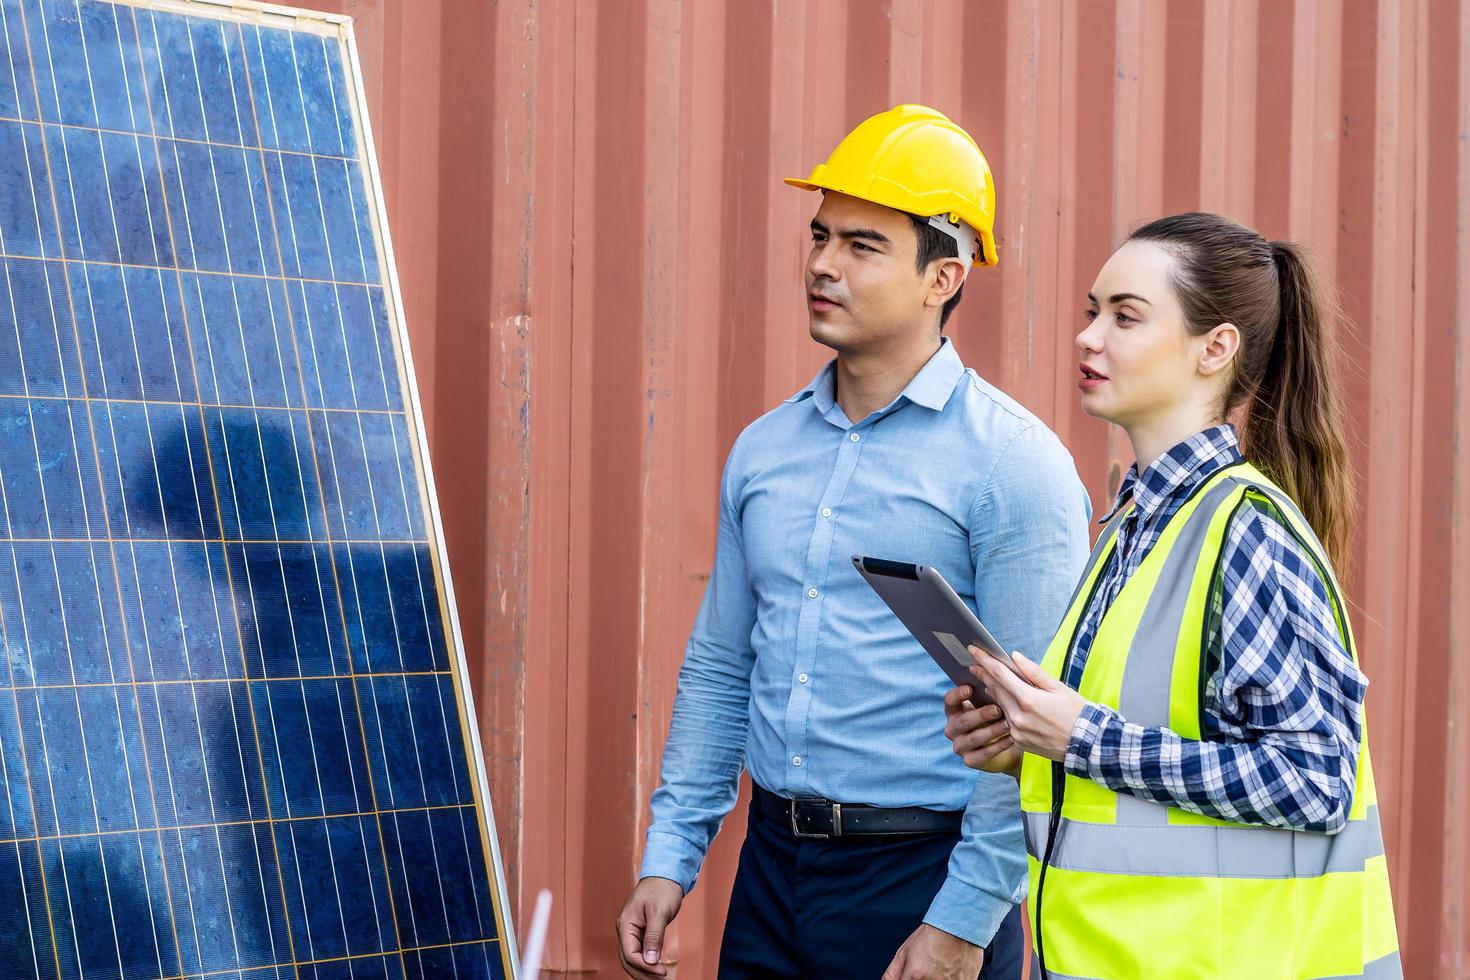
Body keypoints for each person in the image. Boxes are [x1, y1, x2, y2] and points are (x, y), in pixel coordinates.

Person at [613, 105, 1092, 980]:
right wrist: (670, 854)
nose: (822, 265)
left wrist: (967, 920)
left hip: (919, 878)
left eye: (863, 246)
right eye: (821, 236)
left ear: (941, 277)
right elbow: (723, 664)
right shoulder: (764, 450)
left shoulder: (1015, 468)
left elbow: (1035, 733)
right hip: (771, 872)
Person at [945, 212, 1401, 979]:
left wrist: (1080, 738)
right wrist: (1022, 748)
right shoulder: (1134, 529)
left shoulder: (1246, 533)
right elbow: (1147, 773)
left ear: (1214, 349)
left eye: (1126, 316)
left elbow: (1316, 781)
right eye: (1093, 312)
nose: (1089, 336)